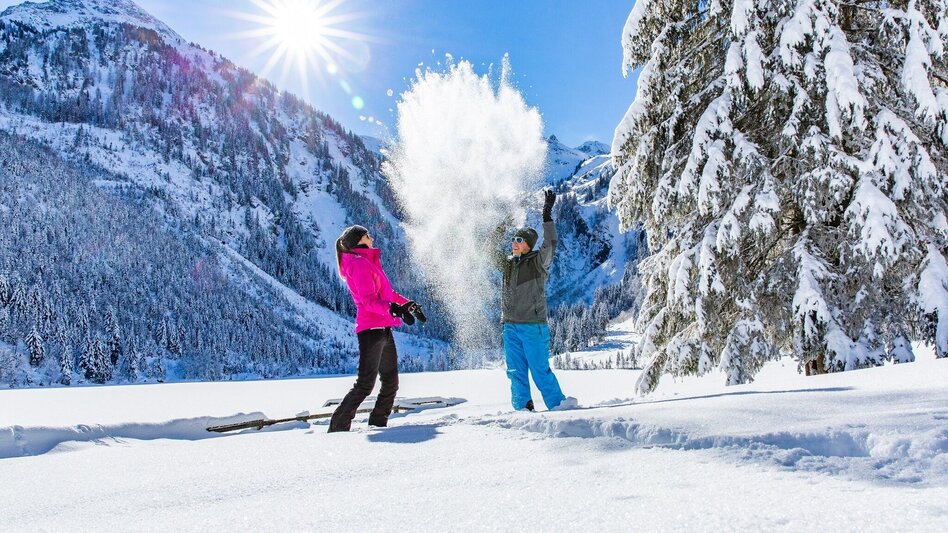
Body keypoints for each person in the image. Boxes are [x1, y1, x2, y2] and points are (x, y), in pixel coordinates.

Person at [328, 225, 424, 432]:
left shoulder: (368, 263)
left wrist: (406, 304)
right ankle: (337, 428)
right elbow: (369, 301)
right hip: (371, 330)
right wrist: (394, 310)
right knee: (365, 384)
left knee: (391, 383)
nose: (372, 238)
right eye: (367, 235)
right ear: (360, 241)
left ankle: (378, 424)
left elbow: (387, 295)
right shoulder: (359, 264)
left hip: (382, 328)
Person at [489, 190, 577, 412]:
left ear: (528, 244)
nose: (514, 243)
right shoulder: (508, 264)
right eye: (513, 239)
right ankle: (522, 410)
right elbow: (488, 249)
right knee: (515, 371)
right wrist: (504, 224)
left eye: (519, 240)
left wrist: (546, 215)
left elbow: (551, 242)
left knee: (539, 370)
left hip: (532, 326)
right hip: (510, 327)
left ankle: (559, 407)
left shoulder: (538, 263)